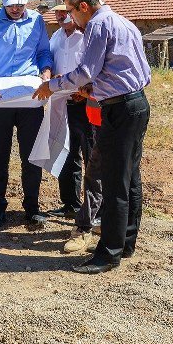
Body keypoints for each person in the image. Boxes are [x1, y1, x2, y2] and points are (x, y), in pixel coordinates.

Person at [33, 0, 151, 274]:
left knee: (114, 182)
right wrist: (94, 89)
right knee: (129, 178)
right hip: (136, 104)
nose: (71, 18)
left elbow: (85, 71)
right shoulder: (124, 22)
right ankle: (125, 243)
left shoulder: (98, 26)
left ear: (83, 6)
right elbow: (134, 70)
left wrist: (52, 86)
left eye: (71, 11)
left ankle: (107, 253)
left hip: (118, 110)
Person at [0, 0, 53, 229]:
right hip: (0, 97)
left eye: (20, 5)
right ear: (2, 0)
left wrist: (47, 75)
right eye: (10, 5)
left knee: (32, 155)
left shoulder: (37, 21)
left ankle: (32, 208)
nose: (16, 9)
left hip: (30, 97)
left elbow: (43, 52)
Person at [48, 4, 91, 218]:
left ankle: (93, 208)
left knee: (90, 155)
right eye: (58, 12)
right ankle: (70, 204)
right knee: (66, 152)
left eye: (65, 11)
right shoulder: (55, 37)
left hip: (84, 102)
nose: (61, 15)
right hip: (62, 103)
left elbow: (92, 68)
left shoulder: (85, 36)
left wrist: (83, 89)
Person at [62, 91, 103, 253]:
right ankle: (80, 212)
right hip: (75, 103)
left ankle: (89, 224)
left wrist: (83, 89)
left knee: (95, 172)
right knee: (71, 159)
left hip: (99, 109)